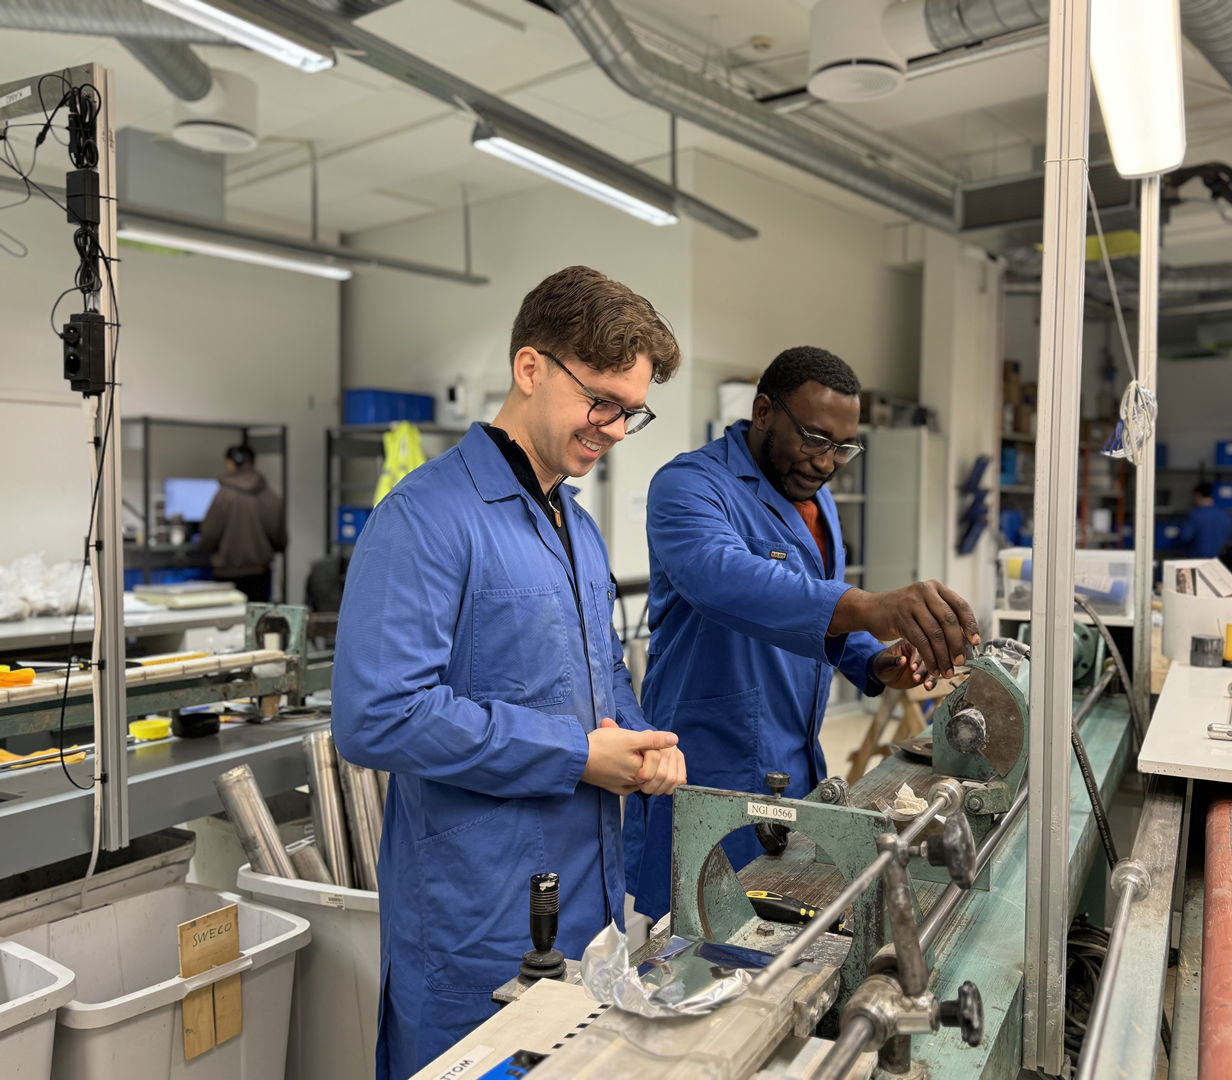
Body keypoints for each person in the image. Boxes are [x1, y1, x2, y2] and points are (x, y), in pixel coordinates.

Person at [331, 266, 687, 1080]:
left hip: (590, 909)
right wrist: (572, 754)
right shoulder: (425, 517)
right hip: (476, 924)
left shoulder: (579, 528)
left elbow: (600, 683)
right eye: (603, 402)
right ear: (531, 370)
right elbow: (377, 714)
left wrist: (640, 743)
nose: (618, 430)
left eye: (633, 412)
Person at [624, 346, 982, 920]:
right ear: (763, 411)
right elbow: (728, 580)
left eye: (843, 448)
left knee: (785, 926)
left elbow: (814, 606)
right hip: (706, 766)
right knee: (695, 935)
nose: (826, 463)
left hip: (795, 759)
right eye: (815, 439)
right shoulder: (690, 486)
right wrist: (870, 606)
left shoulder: (817, 503)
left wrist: (872, 660)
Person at [198, 445, 286, 602]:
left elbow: (209, 535)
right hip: (260, 573)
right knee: (257, 622)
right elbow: (279, 539)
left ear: (231, 463)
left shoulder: (224, 496)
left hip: (227, 574)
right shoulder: (269, 495)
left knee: (228, 623)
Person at [1178, 482, 1232, 559]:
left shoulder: (1194, 515)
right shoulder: (1226, 515)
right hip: (1221, 561)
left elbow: (1185, 537)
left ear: (1198, 495)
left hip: (1198, 560)